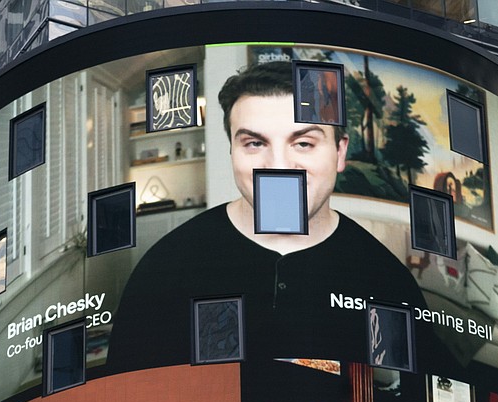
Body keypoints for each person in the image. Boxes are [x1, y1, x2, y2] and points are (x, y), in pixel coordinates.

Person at [108, 60, 432, 372]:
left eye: (303, 143)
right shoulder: (163, 267)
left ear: (340, 152)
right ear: (232, 152)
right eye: (254, 143)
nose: (278, 166)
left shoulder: (387, 280)